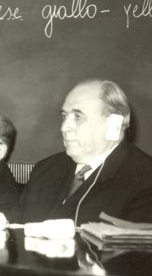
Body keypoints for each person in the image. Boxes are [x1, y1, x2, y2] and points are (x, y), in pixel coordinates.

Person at [20, 79, 152, 225]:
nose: (64, 127)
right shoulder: (44, 170)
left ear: (114, 124)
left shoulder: (145, 179)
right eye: (64, 116)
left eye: (78, 117)